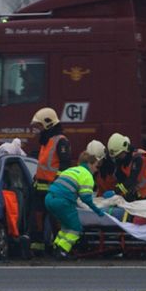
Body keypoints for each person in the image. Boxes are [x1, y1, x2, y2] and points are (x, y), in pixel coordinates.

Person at [47, 151, 109, 259]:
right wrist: (98, 211)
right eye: (95, 166)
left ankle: (56, 247)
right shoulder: (87, 175)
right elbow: (86, 198)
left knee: (66, 226)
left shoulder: (71, 170)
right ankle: (63, 251)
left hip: (49, 198)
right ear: (90, 164)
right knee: (76, 228)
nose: (96, 169)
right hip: (62, 201)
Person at [30, 107, 72, 252]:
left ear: (48, 124)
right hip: (41, 189)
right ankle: (38, 248)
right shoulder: (45, 141)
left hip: (54, 190)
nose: (38, 129)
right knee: (37, 221)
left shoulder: (61, 141)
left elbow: (65, 165)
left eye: (39, 125)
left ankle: (60, 248)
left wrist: (58, 185)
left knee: (57, 222)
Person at [107, 133, 146, 204]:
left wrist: (115, 191)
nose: (118, 158)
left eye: (119, 155)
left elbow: (132, 179)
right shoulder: (125, 162)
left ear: (125, 150)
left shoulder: (139, 157)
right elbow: (124, 180)